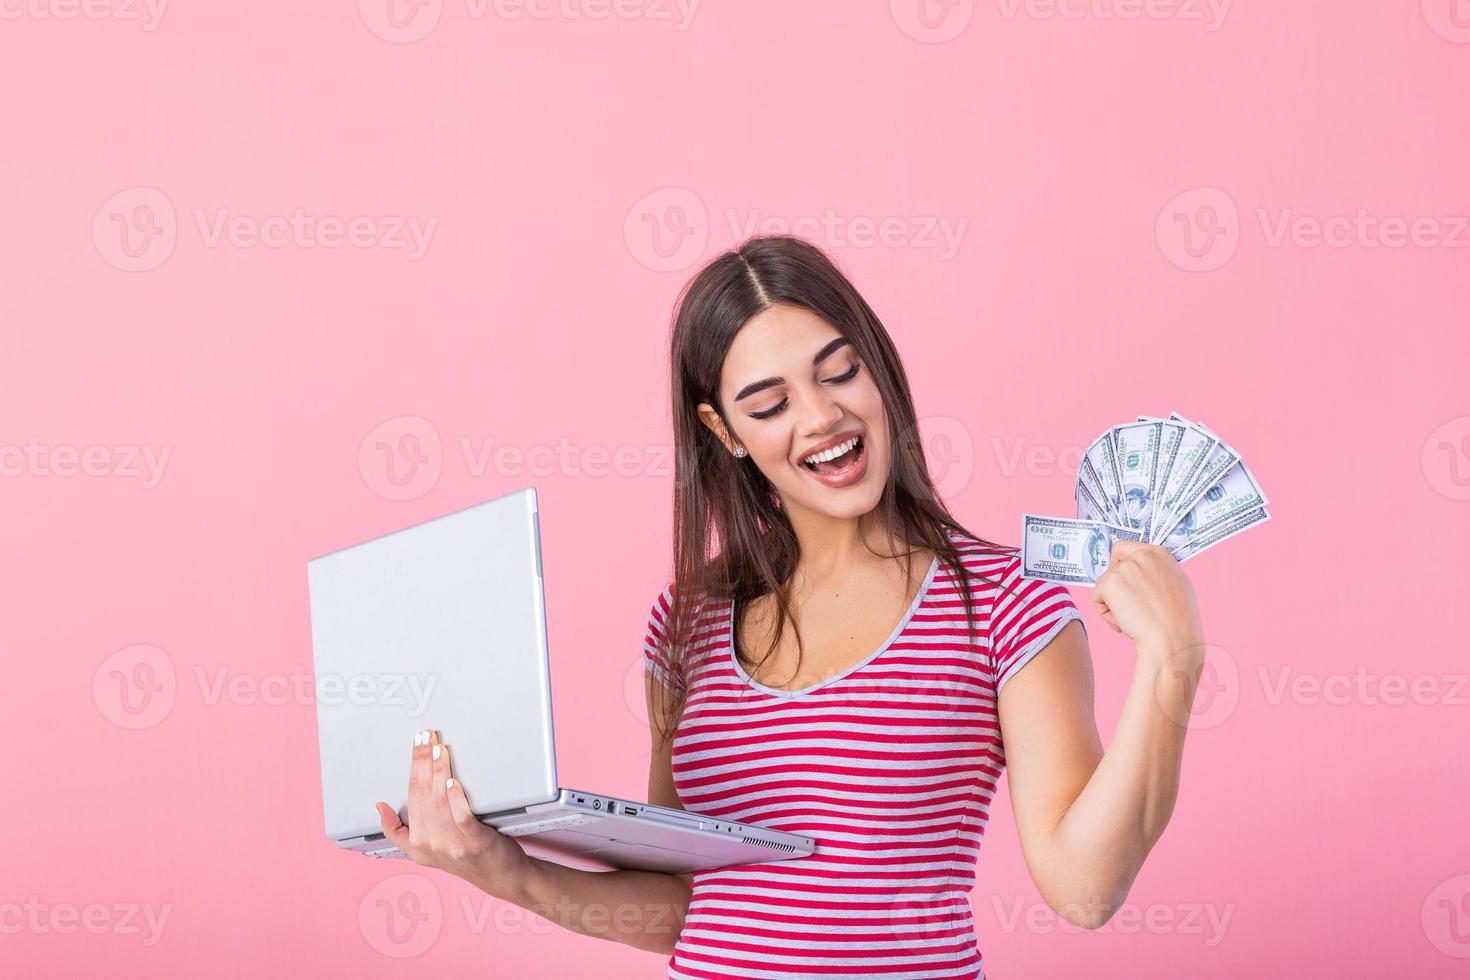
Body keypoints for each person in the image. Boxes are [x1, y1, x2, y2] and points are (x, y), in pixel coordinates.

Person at [373, 235, 1207, 979]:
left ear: (878, 366)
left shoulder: (1003, 603)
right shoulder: (687, 618)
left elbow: (1085, 891)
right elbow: (678, 908)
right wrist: (502, 868)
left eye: (840, 370)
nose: (821, 417)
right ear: (724, 430)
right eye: (769, 404)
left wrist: (1174, 661)